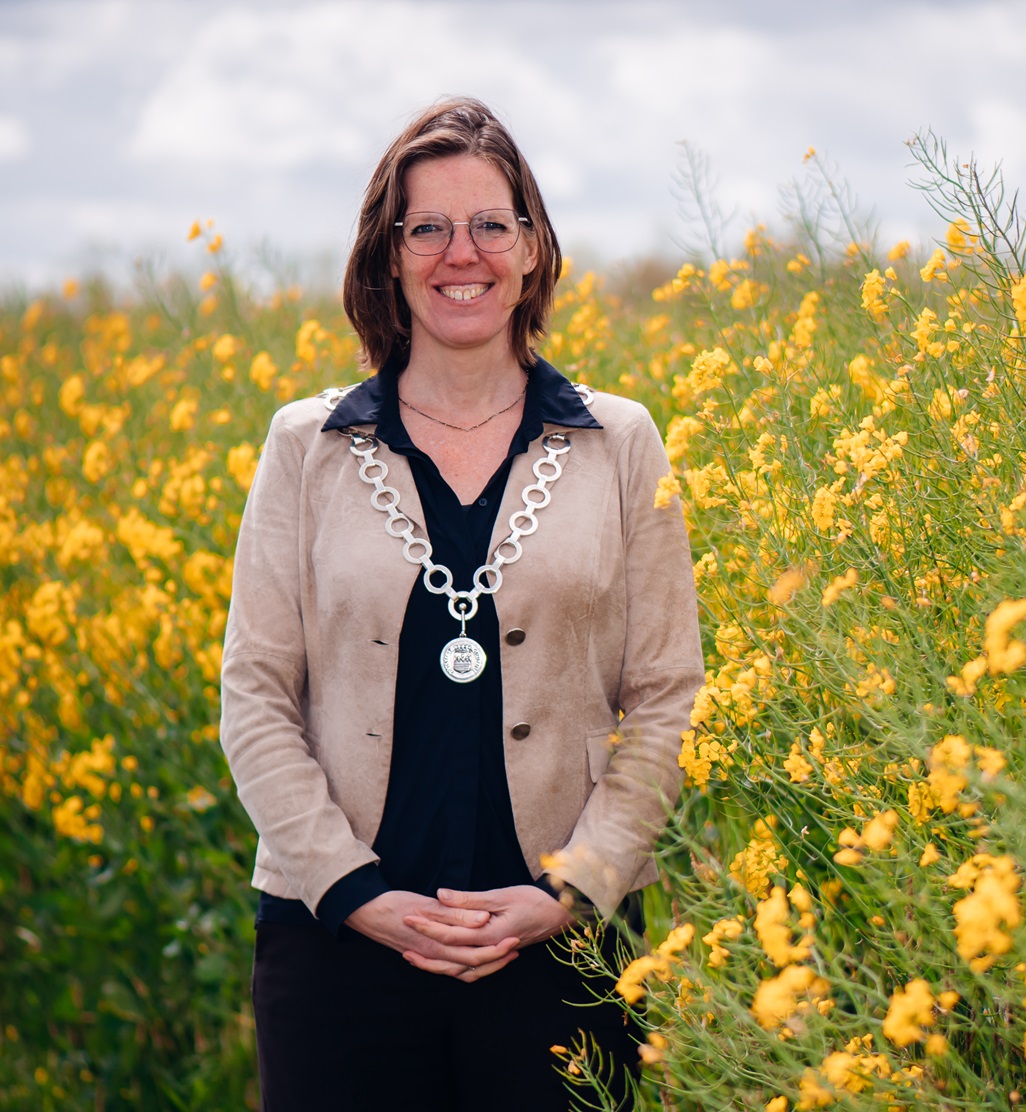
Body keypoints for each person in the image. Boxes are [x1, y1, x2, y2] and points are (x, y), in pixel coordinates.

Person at [219, 97, 703, 1110]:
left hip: (561, 953)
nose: (460, 253)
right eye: (426, 227)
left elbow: (668, 694)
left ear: (531, 248)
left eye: (490, 223)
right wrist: (356, 893)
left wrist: (574, 885)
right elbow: (255, 692)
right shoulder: (303, 447)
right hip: (335, 946)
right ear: (389, 256)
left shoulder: (622, 444)